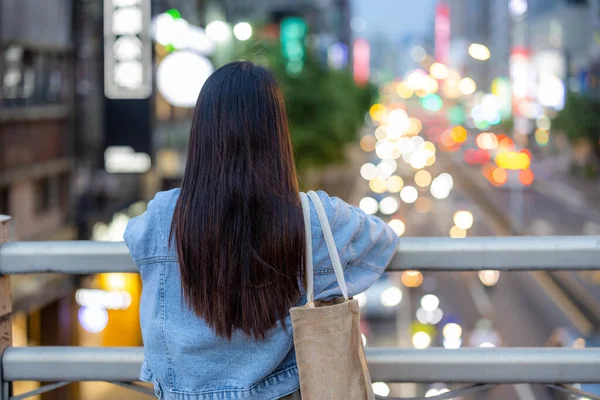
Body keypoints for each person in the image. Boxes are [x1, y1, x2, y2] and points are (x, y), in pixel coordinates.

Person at [124, 61, 399, 400]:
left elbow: (134, 240)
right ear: (276, 134)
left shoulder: (163, 216)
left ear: (202, 133)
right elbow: (383, 242)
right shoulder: (312, 216)